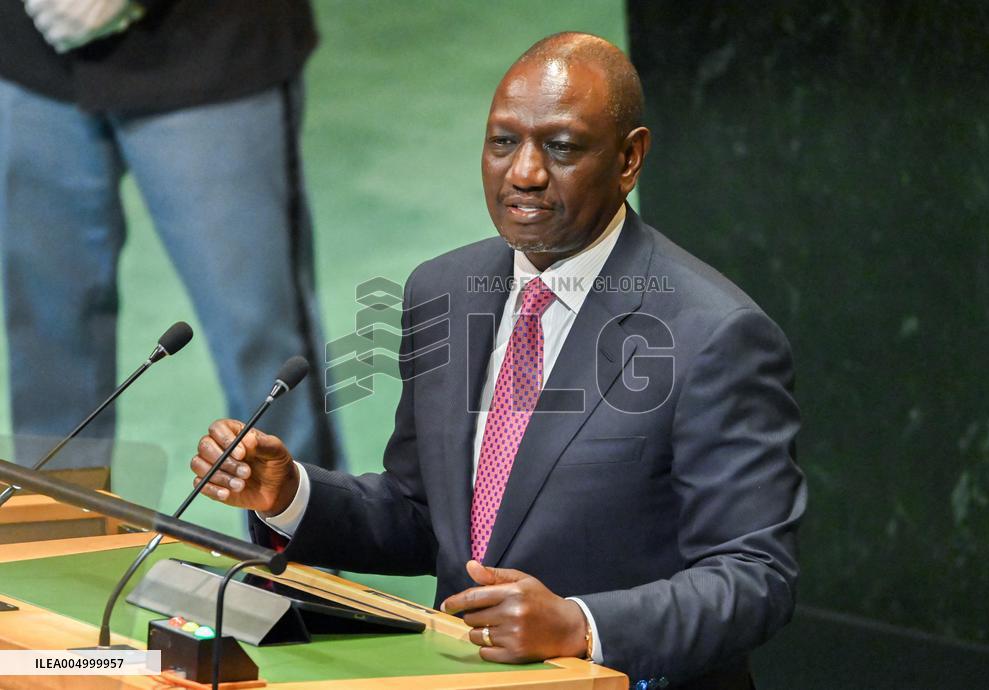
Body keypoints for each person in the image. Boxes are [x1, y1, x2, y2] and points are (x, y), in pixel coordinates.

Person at [190, 32, 806, 689]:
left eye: (561, 147)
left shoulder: (714, 334)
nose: (524, 173)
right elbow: (429, 515)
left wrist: (580, 626)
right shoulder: (443, 292)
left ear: (630, 159)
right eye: (503, 142)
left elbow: (754, 575)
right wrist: (290, 497)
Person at [0, 0, 342, 475]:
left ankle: (296, 541)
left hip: (209, 50)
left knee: (259, 340)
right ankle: (56, 538)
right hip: (29, 50)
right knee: (46, 331)